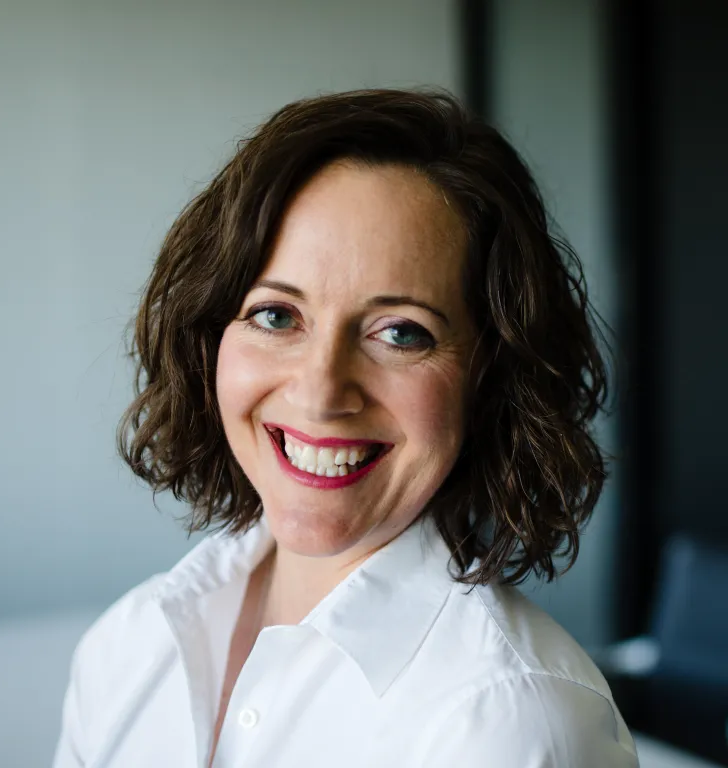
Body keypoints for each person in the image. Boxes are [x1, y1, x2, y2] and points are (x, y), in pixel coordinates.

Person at [53, 88, 639, 767]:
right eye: (277, 315)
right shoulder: (127, 644)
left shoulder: (510, 726)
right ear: (210, 338)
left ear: (491, 378)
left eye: (400, 332)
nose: (322, 391)